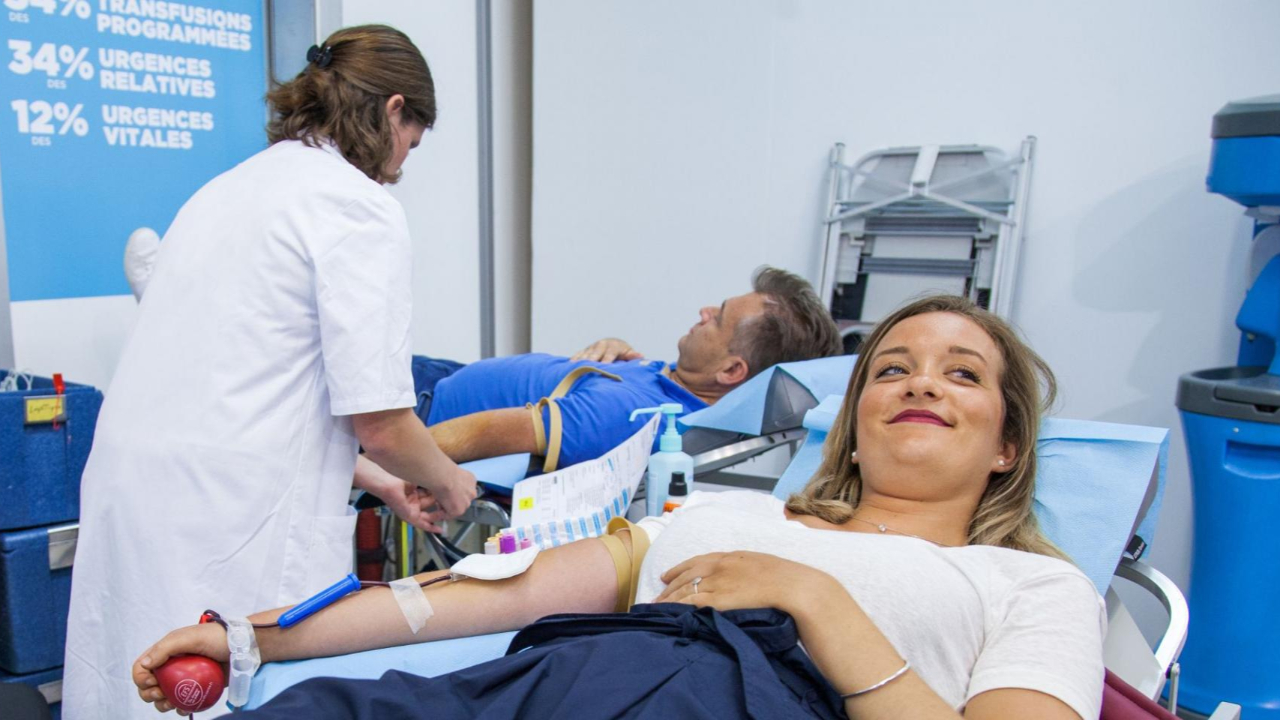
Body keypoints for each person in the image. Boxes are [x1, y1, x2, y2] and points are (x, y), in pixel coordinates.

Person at [133, 294, 1105, 719]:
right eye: (889, 368)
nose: (916, 383)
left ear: (1007, 444)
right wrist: (256, 639)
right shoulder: (733, 519)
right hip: (556, 681)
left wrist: (818, 604)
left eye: (960, 374)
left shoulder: (1032, 587)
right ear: (852, 425)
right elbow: (485, 589)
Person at [64, 25, 478, 719]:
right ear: (392, 109)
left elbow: (252, 397)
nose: (402, 164)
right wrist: (448, 481)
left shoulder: (227, 190)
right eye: (412, 140)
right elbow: (378, 421)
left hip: (136, 492)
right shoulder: (357, 207)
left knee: (127, 685)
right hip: (227, 523)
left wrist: (388, 488)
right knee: (222, 695)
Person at [414, 266, 843, 469]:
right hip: (446, 377)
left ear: (731, 371)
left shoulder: (629, 416)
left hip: (420, 410)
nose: (704, 311)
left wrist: (389, 451)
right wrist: (616, 358)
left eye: (720, 317)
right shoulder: (674, 386)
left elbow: (492, 432)